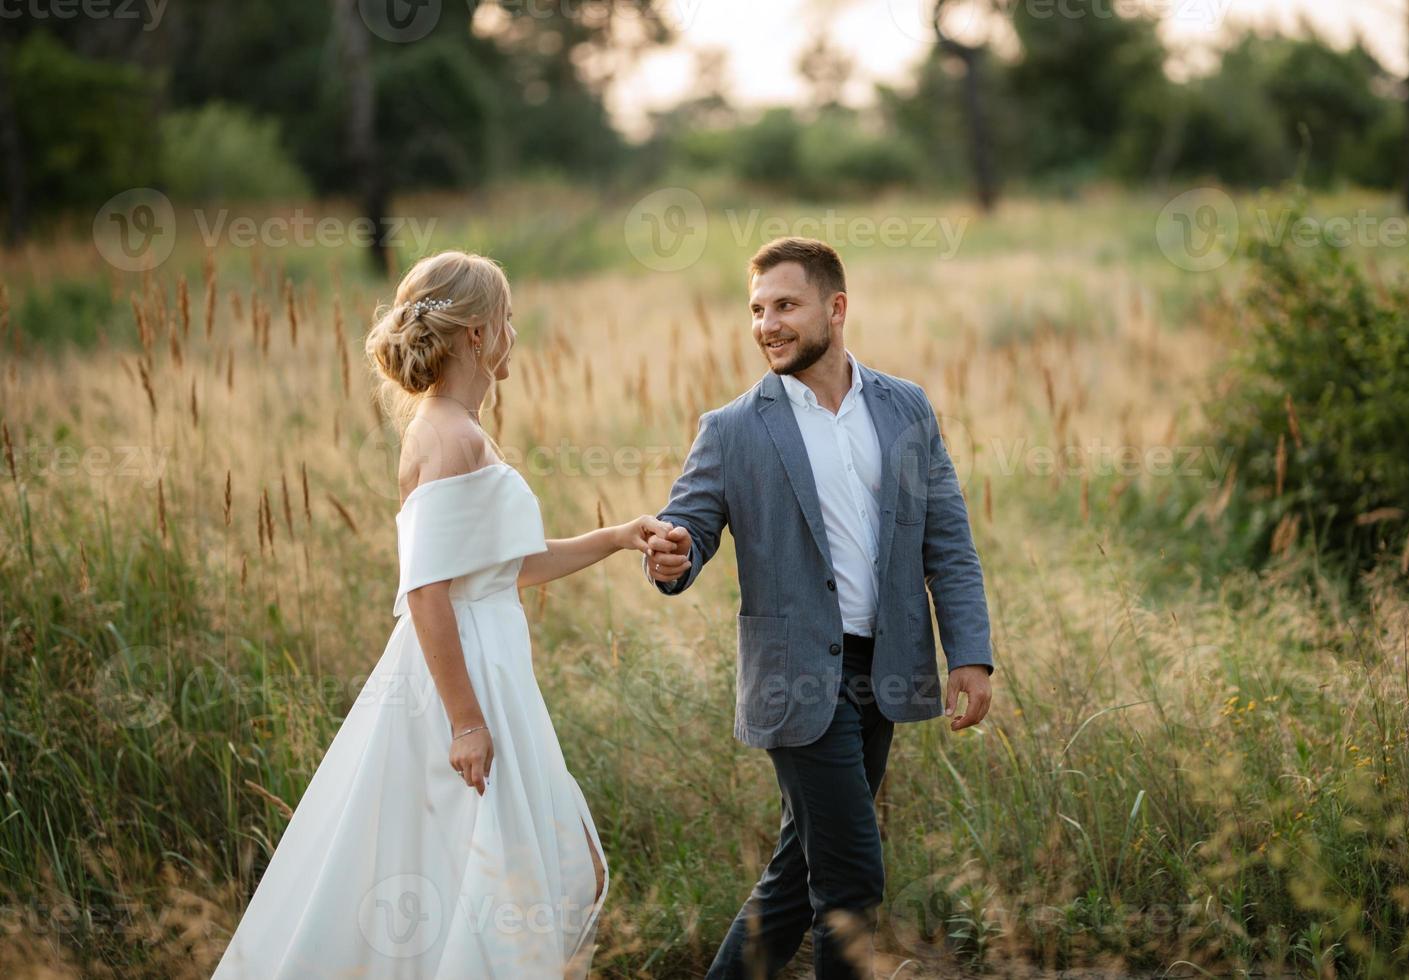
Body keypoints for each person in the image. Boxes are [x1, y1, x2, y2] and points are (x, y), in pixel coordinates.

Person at [211, 249, 669, 978]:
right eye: (508, 318)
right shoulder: (450, 437)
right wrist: (465, 720)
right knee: (501, 865)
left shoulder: (454, 428)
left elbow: (501, 566)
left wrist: (616, 537)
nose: (515, 332)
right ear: (480, 336)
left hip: (487, 660)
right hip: (461, 675)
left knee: (504, 862)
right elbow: (426, 591)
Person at [642, 236, 997, 979]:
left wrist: (968, 651)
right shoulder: (733, 428)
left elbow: (948, 540)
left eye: (785, 306)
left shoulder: (906, 408)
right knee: (851, 877)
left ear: (835, 308)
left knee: (796, 880)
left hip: (885, 667)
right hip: (795, 677)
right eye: (757, 309)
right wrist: (673, 552)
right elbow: (690, 525)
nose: (767, 324)